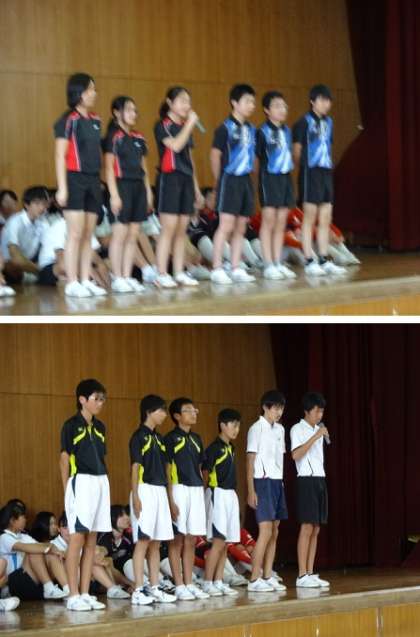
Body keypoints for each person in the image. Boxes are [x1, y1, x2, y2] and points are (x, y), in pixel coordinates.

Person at [59, 378, 112, 611]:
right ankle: (72, 595)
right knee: (77, 539)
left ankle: (84, 593)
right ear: (82, 399)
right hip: (80, 482)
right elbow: (64, 459)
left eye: (103, 399)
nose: (100, 403)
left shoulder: (101, 427)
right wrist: (67, 491)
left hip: (101, 481)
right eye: (96, 398)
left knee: (92, 540)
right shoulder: (70, 425)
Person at [54, 73, 107, 297]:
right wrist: (62, 187)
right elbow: (60, 155)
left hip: (93, 180)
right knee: (74, 233)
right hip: (74, 179)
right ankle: (72, 282)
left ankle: (85, 280)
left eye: (94, 89)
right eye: (90, 89)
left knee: (87, 234)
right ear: (79, 92)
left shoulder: (95, 120)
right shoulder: (68, 120)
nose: (94, 93)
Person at [293, 85, 346, 277]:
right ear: (312, 101)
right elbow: (296, 151)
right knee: (309, 217)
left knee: (325, 217)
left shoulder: (329, 122)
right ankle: (309, 260)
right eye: (322, 100)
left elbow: (327, 146)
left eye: (328, 100)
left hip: (325, 173)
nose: (326, 104)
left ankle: (324, 259)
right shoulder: (303, 122)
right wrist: (305, 168)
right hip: (310, 173)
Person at [154, 87, 204, 288]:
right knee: (168, 229)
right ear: (170, 102)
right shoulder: (162, 125)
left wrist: (197, 189)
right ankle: (161, 274)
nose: (187, 105)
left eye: (188, 101)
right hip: (169, 179)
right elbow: (175, 146)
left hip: (186, 180)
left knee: (182, 230)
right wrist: (190, 123)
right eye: (182, 100)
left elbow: (189, 159)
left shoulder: (185, 126)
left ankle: (179, 272)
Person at [103, 95, 153, 294]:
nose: (134, 114)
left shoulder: (139, 137)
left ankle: (126, 276)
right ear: (117, 112)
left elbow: (144, 168)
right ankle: (117, 277)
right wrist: (114, 195)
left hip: (138, 187)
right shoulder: (113, 137)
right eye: (129, 109)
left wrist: (148, 191)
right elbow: (108, 168)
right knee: (120, 235)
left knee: (133, 235)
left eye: (135, 110)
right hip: (120, 186)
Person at [129, 394, 176, 605]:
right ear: (149, 412)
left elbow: (166, 470)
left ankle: (155, 587)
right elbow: (135, 467)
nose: (164, 414)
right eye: (161, 410)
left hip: (159, 491)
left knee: (156, 543)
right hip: (144, 489)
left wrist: (169, 498)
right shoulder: (138, 436)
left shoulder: (160, 439)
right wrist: (136, 495)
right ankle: (139, 590)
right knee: (143, 541)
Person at [210, 84, 257, 285]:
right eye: (247, 101)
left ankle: (236, 267)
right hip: (229, 179)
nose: (251, 105)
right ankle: (217, 268)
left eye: (253, 102)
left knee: (241, 227)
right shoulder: (225, 128)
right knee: (226, 225)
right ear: (235, 103)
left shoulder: (252, 129)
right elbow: (215, 155)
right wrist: (218, 180)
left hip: (245, 180)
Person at [165, 397, 209, 600]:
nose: (194, 413)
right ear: (177, 416)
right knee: (177, 539)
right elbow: (167, 470)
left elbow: (201, 467)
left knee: (191, 539)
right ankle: (179, 584)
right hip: (178, 488)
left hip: (195, 489)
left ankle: (189, 582)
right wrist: (170, 499)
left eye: (194, 410)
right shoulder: (170, 438)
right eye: (188, 410)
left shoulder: (197, 438)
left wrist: (201, 490)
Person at [246, 390, 288, 592]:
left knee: (275, 531)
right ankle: (254, 578)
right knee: (265, 530)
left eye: (281, 408)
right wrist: (251, 490)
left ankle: (268, 575)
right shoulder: (256, 429)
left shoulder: (280, 429)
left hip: (277, 482)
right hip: (262, 482)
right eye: (275, 408)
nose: (278, 412)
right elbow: (250, 461)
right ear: (265, 407)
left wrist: (281, 483)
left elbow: (280, 459)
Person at [290, 392, 330, 589]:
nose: (319, 415)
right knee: (306, 527)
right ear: (307, 411)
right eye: (316, 411)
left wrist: (318, 434)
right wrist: (315, 437)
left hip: (320, 479)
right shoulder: (297, 429)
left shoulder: (318, 429)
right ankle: (301, 574)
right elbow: (296, 455)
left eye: (322, 411)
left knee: (316, 528)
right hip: (306, 480)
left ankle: (310, 572)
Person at [257, 92, 297, 280]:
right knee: (269, 221)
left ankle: (277, 262)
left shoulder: (287, 131)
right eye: (277, 106)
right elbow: (256, 160)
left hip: (285, 178)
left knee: (281, 221)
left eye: (284, 106)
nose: (283, 109)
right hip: (269, 179)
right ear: (267, 110)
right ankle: (268, 264)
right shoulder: (262, 132)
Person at [201, 409, 241, 597]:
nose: (236, 429)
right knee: (217, 542)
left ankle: (218, 580)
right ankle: (207, 582)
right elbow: (205, 473)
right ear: (222, 425)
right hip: (217, 494)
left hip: (230, 494)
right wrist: (205, 495)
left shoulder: (231, 447)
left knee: (225, 543)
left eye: (238, 426)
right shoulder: (213, 448)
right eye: (233, 425)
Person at [52, 512, 130, 599]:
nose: (69, 531)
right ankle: (114, 587)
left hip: (88, 577)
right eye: (65, 528)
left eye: (72, 527)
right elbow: (67, 561)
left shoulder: (79, 541)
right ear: (59, 529)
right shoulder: (54, 544)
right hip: (66, 582)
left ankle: (113, 588)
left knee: (103, 561)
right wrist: (93, 560)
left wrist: (100, 554)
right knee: (90, 562)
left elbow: (102, 549)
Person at [0, 501, 67, 601]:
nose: (26, 520)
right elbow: (26, 547)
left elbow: (41, 546)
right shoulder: (4, 537)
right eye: (23, 517)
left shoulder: (24, 536)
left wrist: (54, 549)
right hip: (11, 583)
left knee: (49, 554)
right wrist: (51, 547)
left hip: (28, 579)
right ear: (13, 520)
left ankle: (67, 590)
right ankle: (48, 587)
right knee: (34, 551)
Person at [1, 186, 49, 285]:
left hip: (28, 265)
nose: (42, 208)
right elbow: (16, 259)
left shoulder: (43, 223)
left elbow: (49, 249)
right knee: (14, 265)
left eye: (44, 204)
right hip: (8, 267)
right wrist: (40, 271)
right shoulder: (15, 222)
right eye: (37, 203)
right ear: (26, 205)